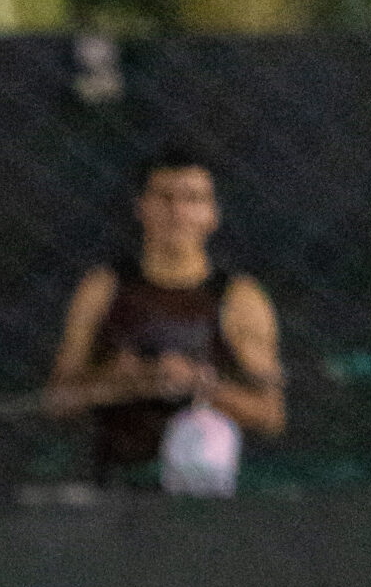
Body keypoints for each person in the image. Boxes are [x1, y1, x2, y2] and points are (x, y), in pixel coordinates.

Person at [44, 149, 284, 485]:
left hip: (204, 487)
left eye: (193, 199)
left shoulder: (240, 299)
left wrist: (198, 384)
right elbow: (56, 400)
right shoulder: (103, 288)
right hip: (116, 483)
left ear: (212, 214)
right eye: (165, 198)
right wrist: (118, 381)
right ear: (141, 207)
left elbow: (270, 413)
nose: (178, 212)